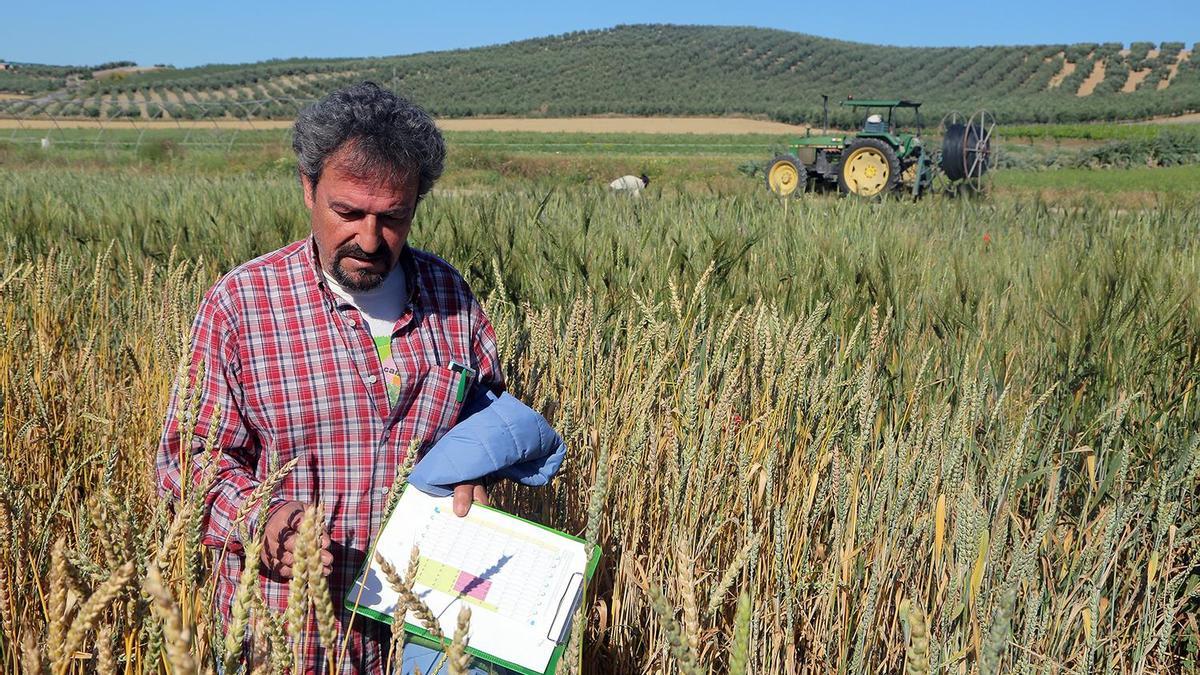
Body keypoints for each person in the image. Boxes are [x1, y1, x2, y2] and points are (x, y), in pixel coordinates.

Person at [156, 82, 511, 673]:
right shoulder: (243, 305)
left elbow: (486, 421)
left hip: (423, 635)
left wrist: (482, 475)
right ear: (307, 188)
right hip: (286, 638)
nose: (370, 240)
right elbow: (187, 461)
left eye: (393, 218)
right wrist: (262, 519)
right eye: (348, 213)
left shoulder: (453, 298)